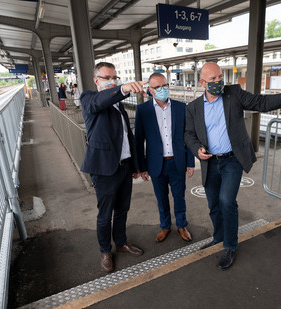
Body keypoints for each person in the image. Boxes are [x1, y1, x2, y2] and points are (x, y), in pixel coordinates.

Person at [184, 62, 281, 270]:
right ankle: (218, 237)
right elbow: (188, 134)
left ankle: (230, 245)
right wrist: (196, 148)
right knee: (214, 205)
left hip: (232, 159)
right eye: (213, 79)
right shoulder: (193, 108)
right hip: (210, 162)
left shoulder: (233, 93)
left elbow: (260, 102)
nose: (218, 82)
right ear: (202, 82)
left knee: (226, 201)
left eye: (219, 77)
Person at [80, 62, 148, 272]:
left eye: (114, 78)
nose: (111, 81)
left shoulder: (119, 105)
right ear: (96, 80)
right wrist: (123, 89)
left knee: (122, 210)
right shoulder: (88, 98)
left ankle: (121, 242)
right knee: (105, 214)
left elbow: (128, 136)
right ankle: (105, 250)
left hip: (125, 167)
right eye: (106, 78)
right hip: (104, 169)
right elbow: (99, 103)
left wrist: (136, 164)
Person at [135, 73, 195, 243]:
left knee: (179, 196)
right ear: (150, 90)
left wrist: (190, 162)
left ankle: (182, 225)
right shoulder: (143, 110)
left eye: (165, 86)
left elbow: (188, 135)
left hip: (177, 162)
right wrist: (142, 166)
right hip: (156, 164)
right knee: (161, 198)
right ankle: (165, 226)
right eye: (157, 87)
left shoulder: (180, 107)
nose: (162, 90)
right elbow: (138, 140)